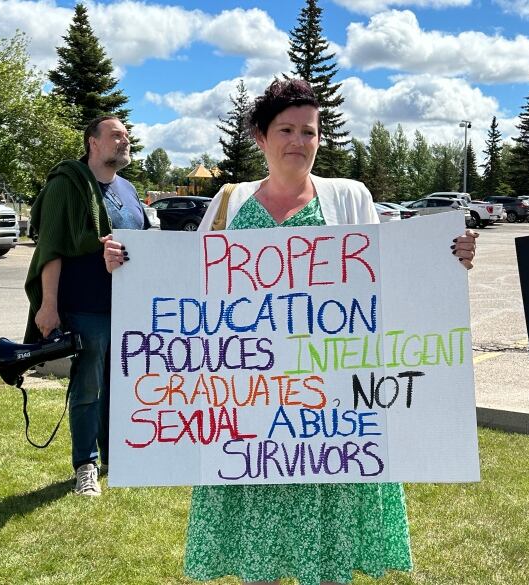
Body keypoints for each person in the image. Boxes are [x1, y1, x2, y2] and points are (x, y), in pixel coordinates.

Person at [103, 79, 477, 584]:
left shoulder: (350, 199)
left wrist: (447, 259)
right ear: (260, 136)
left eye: (309, 131)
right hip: (251, 416)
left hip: (331, 419)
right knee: (259, 562)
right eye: (286, 129)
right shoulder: (228, 203)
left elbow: (391, 278)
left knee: (327, 563)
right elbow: (188, 287)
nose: (299, 141)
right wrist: (129, 265)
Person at [24, 115, 149, 496]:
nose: (124, 141)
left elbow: (140, 245)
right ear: (93, 143)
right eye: (115, 135)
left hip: (126, 308)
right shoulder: (68, 183)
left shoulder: (127, 189)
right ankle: (85, 466)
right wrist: (48, 306)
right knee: (89, 387)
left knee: (122, 386)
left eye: (127, 135)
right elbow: (52, 249)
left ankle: (114, 454)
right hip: (85, 307)